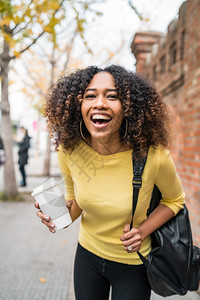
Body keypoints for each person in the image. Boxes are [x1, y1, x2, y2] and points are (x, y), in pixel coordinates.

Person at [35, 65, 185, 300]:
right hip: (87, 256)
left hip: (132, 264)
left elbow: (175, 200)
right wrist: (56, 217)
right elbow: (75, 204)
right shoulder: (69, 150)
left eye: (112, 96)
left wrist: (142, 231)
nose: (100, 103)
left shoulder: (152, 157)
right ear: (79, 106)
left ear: (129, 108)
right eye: (90, 95)